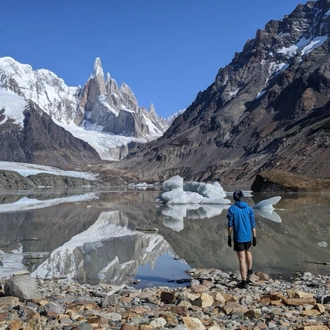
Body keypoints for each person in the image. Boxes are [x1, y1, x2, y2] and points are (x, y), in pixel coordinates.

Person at [227, 190, 256, 289]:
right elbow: (253, 224)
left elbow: (230, 225)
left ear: (234, 198)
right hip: (248, 236)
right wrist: (254, 237)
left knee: (241, 259)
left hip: (239, 237)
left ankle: (243, 281)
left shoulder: (232, 209)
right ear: (242, 197)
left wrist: (229, 236)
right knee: (248, 251)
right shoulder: (249, 209)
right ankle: (250, 269)